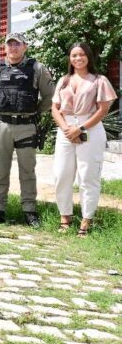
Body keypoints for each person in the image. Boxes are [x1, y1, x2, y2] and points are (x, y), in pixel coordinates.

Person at [0, 32, 54, 227]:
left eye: (17, 44)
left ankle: (29, 210)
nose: (13, 48)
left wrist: (34, 112)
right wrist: (2, 113)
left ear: (25, 47)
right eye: (10, 45)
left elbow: (49, 97)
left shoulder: (37, 69)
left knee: (27, 170)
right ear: (5, 47)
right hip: (2, 126)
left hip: (26, 126)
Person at [51, 43, 116, 236]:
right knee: (61, 174)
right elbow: (55, 107)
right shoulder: (64, 80)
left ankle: (87, 220)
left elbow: (103, 109)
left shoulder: (99, 80)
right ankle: (65, 216)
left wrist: (80, 128)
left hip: (90, 128)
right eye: (74, 55)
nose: (78, 58)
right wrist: (66, 129)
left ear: (88, 57)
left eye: (81, 55)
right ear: (69, 58)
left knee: (88, 176)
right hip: (65, 129)